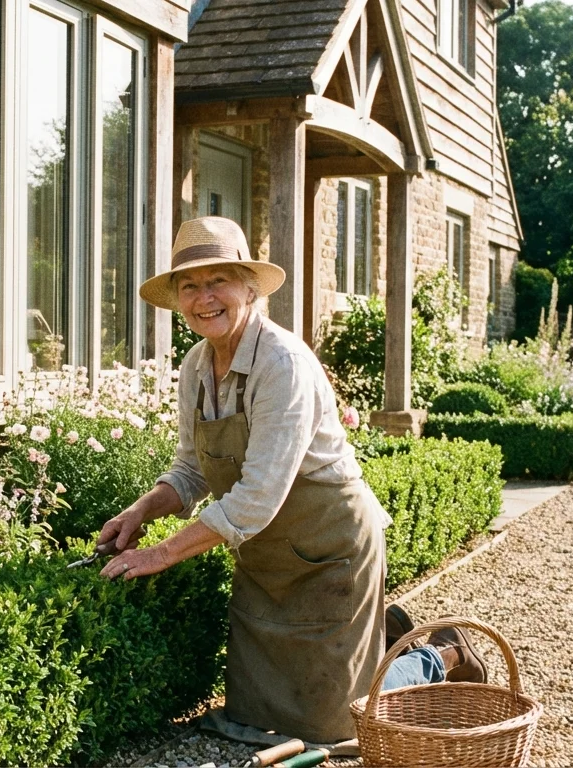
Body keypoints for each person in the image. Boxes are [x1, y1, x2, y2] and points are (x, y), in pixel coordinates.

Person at [93, 217, 485, 745]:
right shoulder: (194, 366)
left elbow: (256, 497)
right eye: (190, 285)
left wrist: (157, 556)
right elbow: (191, 469)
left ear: (249, 288)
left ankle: (441, 654)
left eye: (218, 281)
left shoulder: (282, 363)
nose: (204, 297)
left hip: (331, 547)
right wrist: (139, 512)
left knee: (342, 725)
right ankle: (378, 636)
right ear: (177, 298)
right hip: (268, 558)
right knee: (257, 717)